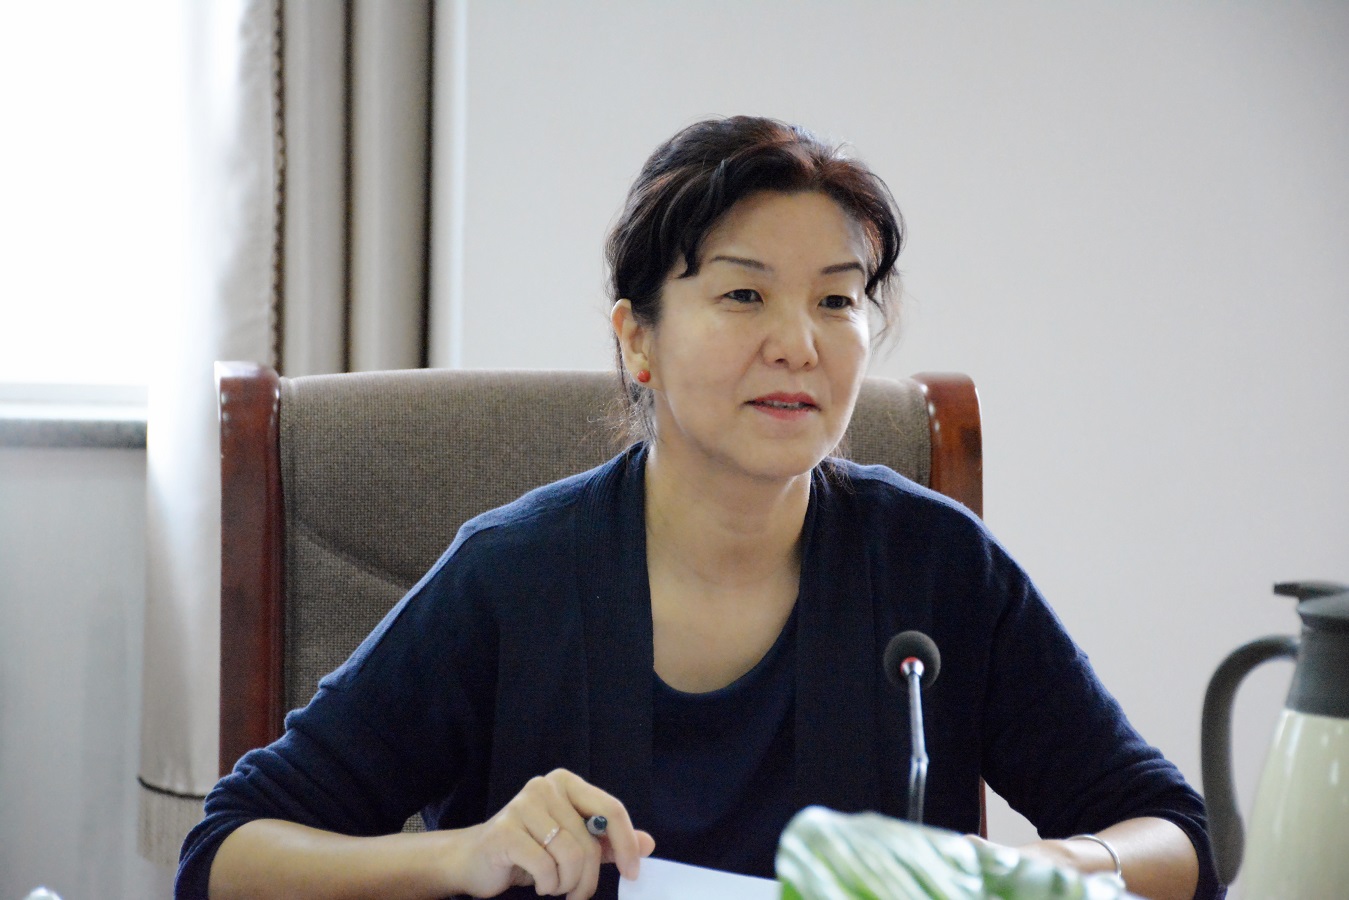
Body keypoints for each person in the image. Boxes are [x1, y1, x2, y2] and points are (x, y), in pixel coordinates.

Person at [177, 116, 1220, 900]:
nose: (797, 344)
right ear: (637, 338)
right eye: (742, 294)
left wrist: (1035, 871)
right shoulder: (514, 575)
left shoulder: (932, 564)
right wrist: (464, 854)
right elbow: (226, 853)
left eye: (835, 299)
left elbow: (1171, 835)